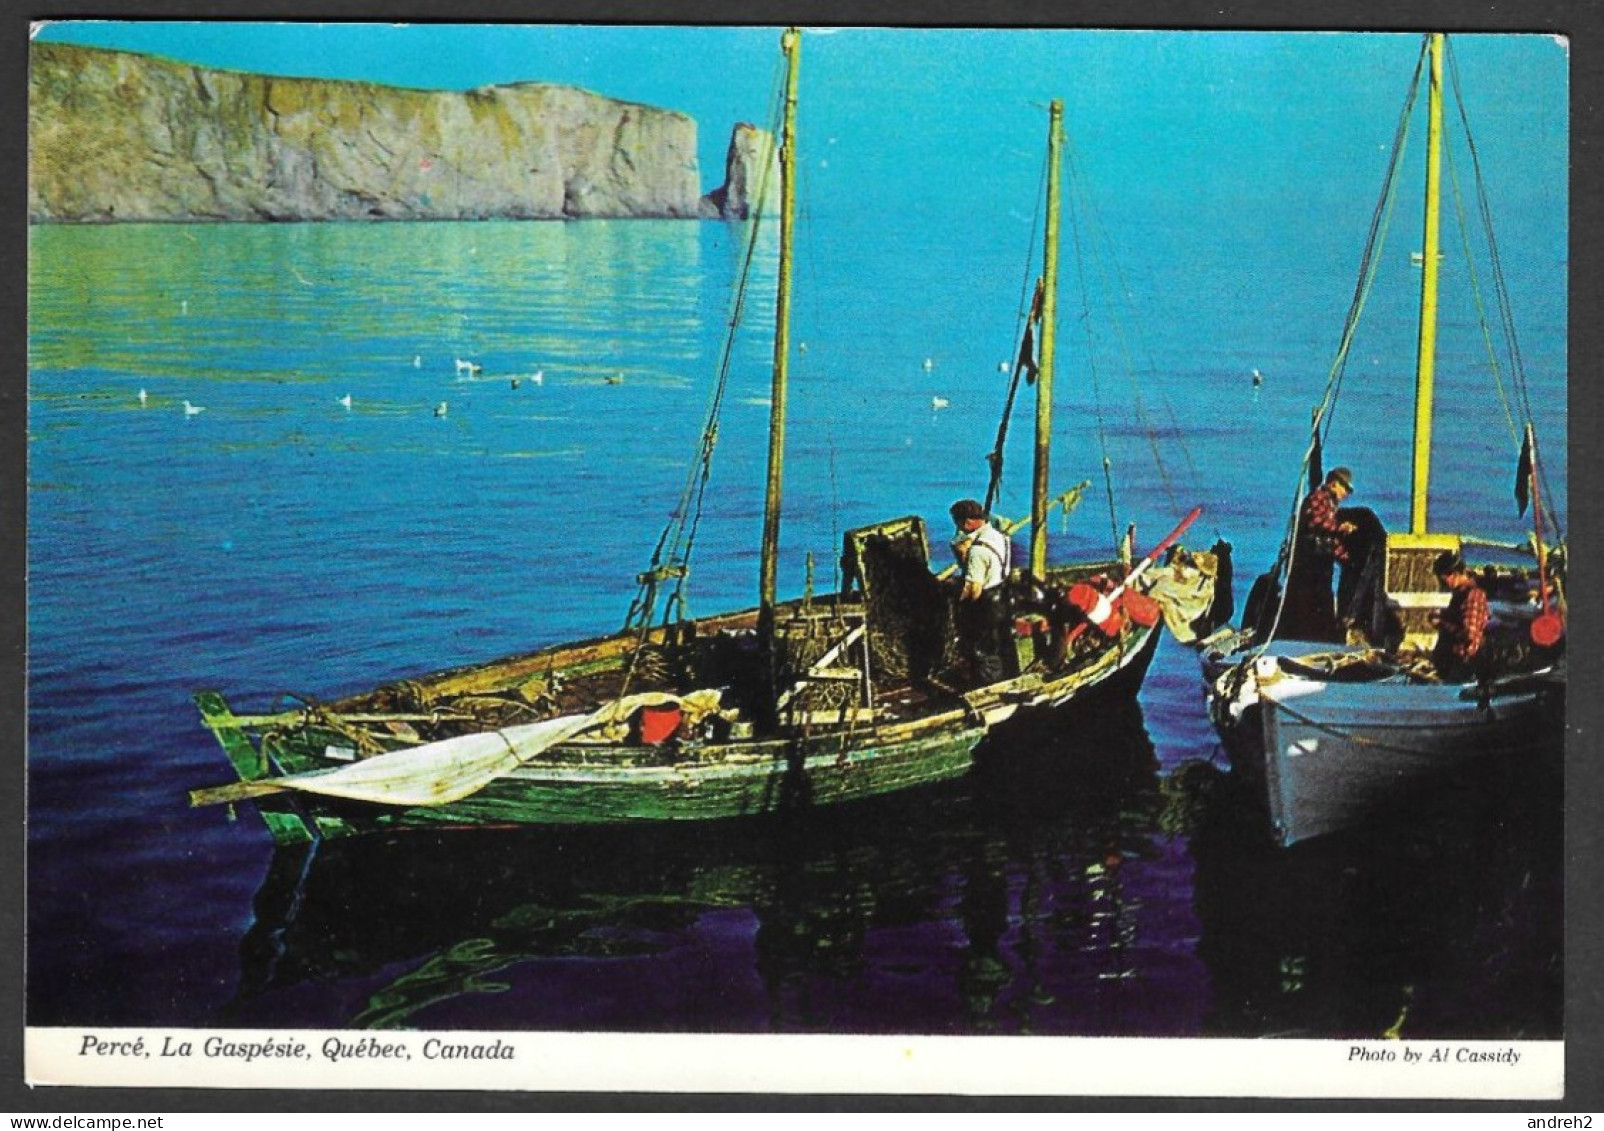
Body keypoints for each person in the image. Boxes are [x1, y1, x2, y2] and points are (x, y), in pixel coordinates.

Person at [1281, 466, 1362, 641]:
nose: (1346, 493)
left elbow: (1331, 542)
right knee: (1311, 603)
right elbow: (1316, 522)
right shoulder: (1319, 498)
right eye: (1345, 488)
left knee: (1322, 602)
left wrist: (1347, 560)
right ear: (1334, 484)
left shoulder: (1331, 505)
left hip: (1321, 566)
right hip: (1309, 566)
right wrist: (1340, 528)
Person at [948, 498, 1012, 684]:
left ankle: (987, 685)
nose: (958, 529)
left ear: (967, 522)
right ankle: (1008, 676)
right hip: (1002, 595)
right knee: (1000, 642)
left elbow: (973, 589)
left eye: (957, 523)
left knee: (983, 648)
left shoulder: (977, 551)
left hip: (987, 604)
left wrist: (958, 603)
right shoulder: (999, 536)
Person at [1430, 550, 1490, 683]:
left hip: (1462, 663)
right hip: (1454, 660)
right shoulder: (1461, 594)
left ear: (1454, 575)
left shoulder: (1472, 596)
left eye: (1443, 579)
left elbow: (1469, 635)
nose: (1443, 583)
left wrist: (1441, 623)